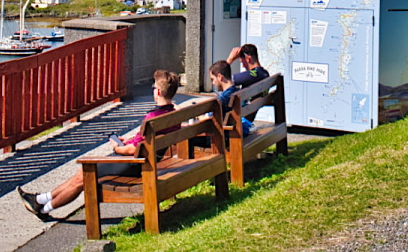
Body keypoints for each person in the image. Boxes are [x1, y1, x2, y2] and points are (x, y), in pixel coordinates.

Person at [16, 69, 181, 221]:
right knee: (83, 173)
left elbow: (132, 150)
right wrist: (129, 140)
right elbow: (143, 142)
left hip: (135, 165)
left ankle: (44, 209)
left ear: (158, 92)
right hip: (146, 161)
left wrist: (118, 148)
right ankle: (41, 200)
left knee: (85, 175)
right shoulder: (172, 114)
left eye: (154, 88)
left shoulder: (152, 118)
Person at [209, 60, 252, 137]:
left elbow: (211, 118)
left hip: (227, 137)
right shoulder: (237, 92)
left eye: (212, 79)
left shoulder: (223, 98)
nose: (213, 83)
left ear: (220, 77)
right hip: (241, 131)